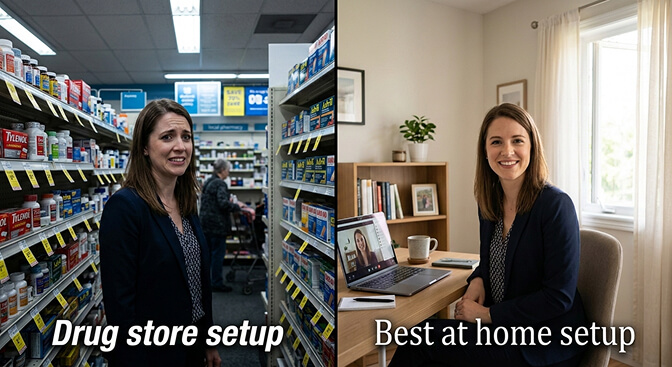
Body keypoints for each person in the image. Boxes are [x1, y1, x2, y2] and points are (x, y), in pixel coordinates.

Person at [389, 103, 587, 367]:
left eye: (517, 140)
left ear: (532, 147)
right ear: (485, 151)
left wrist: (488, 314)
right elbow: (493, 261)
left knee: (421, 340)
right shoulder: (489, 203)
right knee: (425, 337)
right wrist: (478, 279)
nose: (507, 151)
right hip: (505, 330)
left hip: (545, 342)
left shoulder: (555, 205)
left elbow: (558, 297)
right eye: (496, 142)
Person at [99, 99, 221, 367]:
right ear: (144, 146)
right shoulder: (125, 207)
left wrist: (208, 340)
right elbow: (120, 305)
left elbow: (198, 281)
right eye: (167, 137)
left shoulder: (187, 202)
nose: (180, 146)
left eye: (186, 137)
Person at [200, 158, 252, 292]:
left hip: (205, 224)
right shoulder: (220, 183)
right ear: (222, 170)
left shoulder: (208, 181)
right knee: (218, 255)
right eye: (228, 170)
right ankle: (216, 283)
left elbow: (214, 201)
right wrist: (237, 207)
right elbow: (222, 203)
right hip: (217, 225)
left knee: (209, 255)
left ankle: (206, 282)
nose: (228, 173)